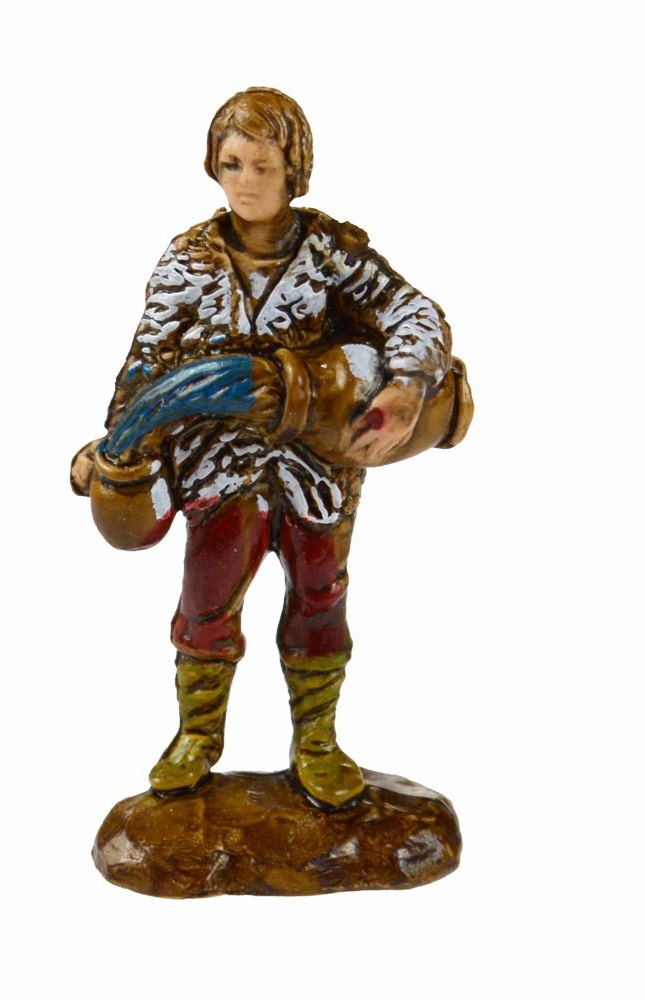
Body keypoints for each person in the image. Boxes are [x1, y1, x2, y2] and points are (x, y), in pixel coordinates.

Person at [90, 88, 453, 808]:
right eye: (232, 165)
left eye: (264, 166)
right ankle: (198, 734)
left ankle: (316, 740)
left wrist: (407, 385)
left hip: (319, 463)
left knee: (321, 596)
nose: (246, 182)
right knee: (206, 597)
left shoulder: (331, 254)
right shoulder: (188, 260)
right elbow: (147, 366)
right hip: (219, 466)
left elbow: (413, 311)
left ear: (295, 170)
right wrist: (113, 444)